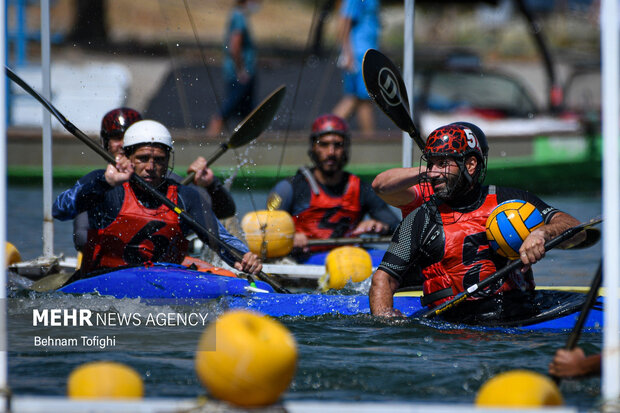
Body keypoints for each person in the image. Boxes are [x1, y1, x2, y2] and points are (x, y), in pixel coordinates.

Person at [369, 122, 584, 322]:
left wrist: (542, 233)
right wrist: (386, 320)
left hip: (522, 317)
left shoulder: (512, 202)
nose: (432, 173)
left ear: (471, 164)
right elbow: (383, 280)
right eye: (431, 164)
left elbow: (577, 231)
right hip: (451, 327)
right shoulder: (421, 218)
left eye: (442, 163)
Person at [53, 120, 261, 280]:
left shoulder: (186, 196)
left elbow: (220, 239)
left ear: (168, 161)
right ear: (127, 157)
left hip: (162, 285)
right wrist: (103, 183)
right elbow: (59, 210)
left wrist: (244, 257)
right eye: (143, 158)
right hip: (100, 282)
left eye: (159, 160)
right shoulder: (106, 186)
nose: (151, 167)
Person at [72, 108, 236, 252]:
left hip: (162, 268)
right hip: (113, 267)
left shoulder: (169, 182)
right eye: (116, 137)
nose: (123, 143)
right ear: (104, 143)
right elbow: (80, 238)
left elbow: (224, 212)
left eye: (129, 135)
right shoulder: (94, 186)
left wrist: (210, 184)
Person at [267, 114, 399, 261]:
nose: (331, 152)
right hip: (303, 259)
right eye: (324, 144)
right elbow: (265, 232)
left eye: (338, 145)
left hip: (348, 258)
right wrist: (289, 237)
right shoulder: (289, 188)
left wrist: (380, 227)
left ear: (345, 149)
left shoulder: (361, 189)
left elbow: (398, 229)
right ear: (314, 147)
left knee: (392, 260)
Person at [207, 0, 258, 137]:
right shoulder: (239, 17)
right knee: (227, 110)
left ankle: (251, 141)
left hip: (241, 73)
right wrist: (241, 70)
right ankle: (210, 138)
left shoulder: (238, 16)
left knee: (249, 115)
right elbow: (235, 46)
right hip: (240, 74)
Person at [332, 0, 380, 135]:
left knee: (358, 99)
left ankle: (326, 129)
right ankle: (326, 130)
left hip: (366, 53)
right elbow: (344, 21)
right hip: (359, 56)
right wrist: (347, 54)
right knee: (362, 98)